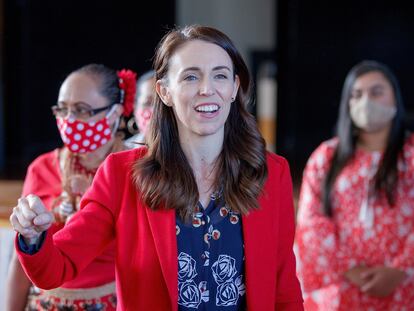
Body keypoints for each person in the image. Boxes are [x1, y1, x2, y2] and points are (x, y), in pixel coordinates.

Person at [10, 25, 304, 310]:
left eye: (220, 76)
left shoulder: (269, 173)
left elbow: (284, 288)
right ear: (164, 92)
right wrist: (33, 237)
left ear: (234, 88)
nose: (207, 89)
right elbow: (57, 267)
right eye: (190, 77)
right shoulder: (122, 174)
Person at [5, 63, 137, 310]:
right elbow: (20, 258)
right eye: (62, 109)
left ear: (115, 113)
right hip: (45, 302)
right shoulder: (42, 167)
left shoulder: (134, 170)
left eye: (81, 110)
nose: (69, 120)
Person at [295, 60, 414, 310]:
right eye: (357, 94)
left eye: (376, 92)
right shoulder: (326, 158)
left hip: (404, 287)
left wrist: (401, 270)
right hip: (342, 288)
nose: (366, 101)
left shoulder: (411, 155)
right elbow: (311, 223)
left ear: (395, 99)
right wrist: (352, 270)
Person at [125, 70, 156, 147]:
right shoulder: (123, 153)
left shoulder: (189, 153)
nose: (156, 110)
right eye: (147, 103)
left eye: (163, 103)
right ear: (135, 107)